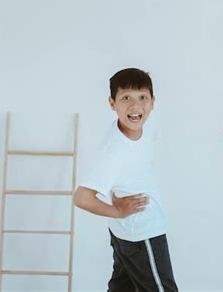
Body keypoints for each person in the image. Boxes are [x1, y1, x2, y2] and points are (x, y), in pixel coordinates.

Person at [73, 68, 178, 291]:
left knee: (123, 288)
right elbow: (82, 197)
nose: (135, 106)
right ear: (112, 103)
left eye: (142, 98)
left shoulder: (147, 125)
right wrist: (118, 211)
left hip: (124, 232)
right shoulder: (113, 153)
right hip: (142, 232)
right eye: (126, 98)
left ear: (152, 102)